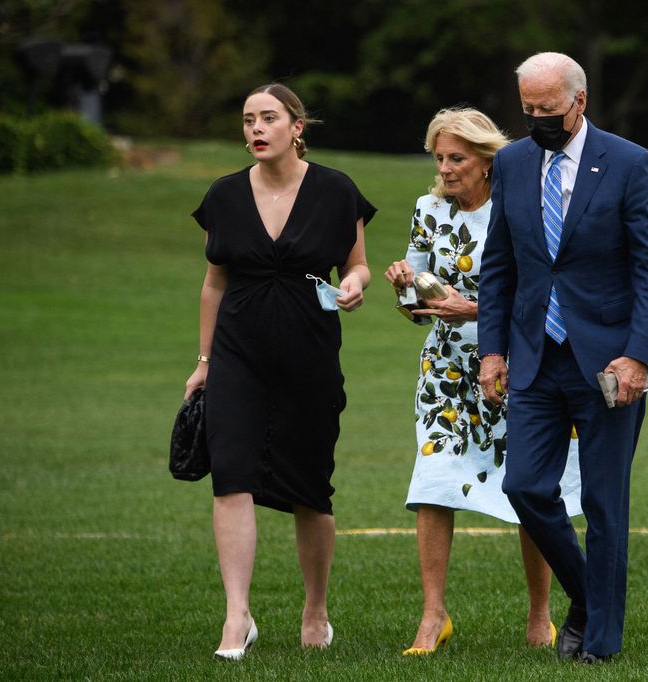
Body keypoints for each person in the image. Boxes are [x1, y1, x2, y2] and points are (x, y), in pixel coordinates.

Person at [477, 53, 648, 664]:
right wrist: (491, 350)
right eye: (527, 110)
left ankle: (602, 644)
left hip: (609, 363)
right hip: (536, 355)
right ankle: (590, 599)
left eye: (547, 110)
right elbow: (499, 265)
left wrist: (638, 357)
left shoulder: (628, 162)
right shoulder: (510, 163)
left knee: (605, 504)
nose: (536, 120)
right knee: (525, 486)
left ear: (579, 102)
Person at [183, 83, 376, 660]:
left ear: (297, 126)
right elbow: (214, 283)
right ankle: (236, 617)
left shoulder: (336, 190)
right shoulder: (223, 196)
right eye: (248, 120)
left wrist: (354, 286)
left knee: (311, 491)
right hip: (238, 352)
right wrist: (204, 363)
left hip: (310, 353)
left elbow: (359, 264)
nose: (256, 129)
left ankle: (315, 608)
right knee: (231, 476)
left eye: (268, 118)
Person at [384, 107, 582, 655]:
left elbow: (537, 295)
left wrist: (471, 309)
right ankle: (433, 616)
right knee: (433, 483)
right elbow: (416, 310)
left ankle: (539, 615)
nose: (445, 169)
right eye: (439, 158)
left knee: (532, 489)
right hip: (445, 371)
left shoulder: (520, 208)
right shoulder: (428, 210)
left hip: (518, 365)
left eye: (456, 158)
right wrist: (406, 285)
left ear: (486, 160)